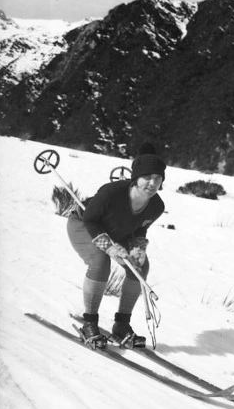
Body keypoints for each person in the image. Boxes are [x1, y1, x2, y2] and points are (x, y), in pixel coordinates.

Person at [67, 147, 166, 348]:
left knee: (139, 267)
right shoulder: (111, 193)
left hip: (118, 233)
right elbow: (90, 220)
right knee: (100, 262)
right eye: (147, 177)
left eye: (158, 178)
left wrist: (138, 249)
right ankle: (90, 324)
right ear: (136, 178)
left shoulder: (157, 206)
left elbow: (140, 229)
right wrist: (111, 249)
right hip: (83, 225)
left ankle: (121, 326)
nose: (153, 183)